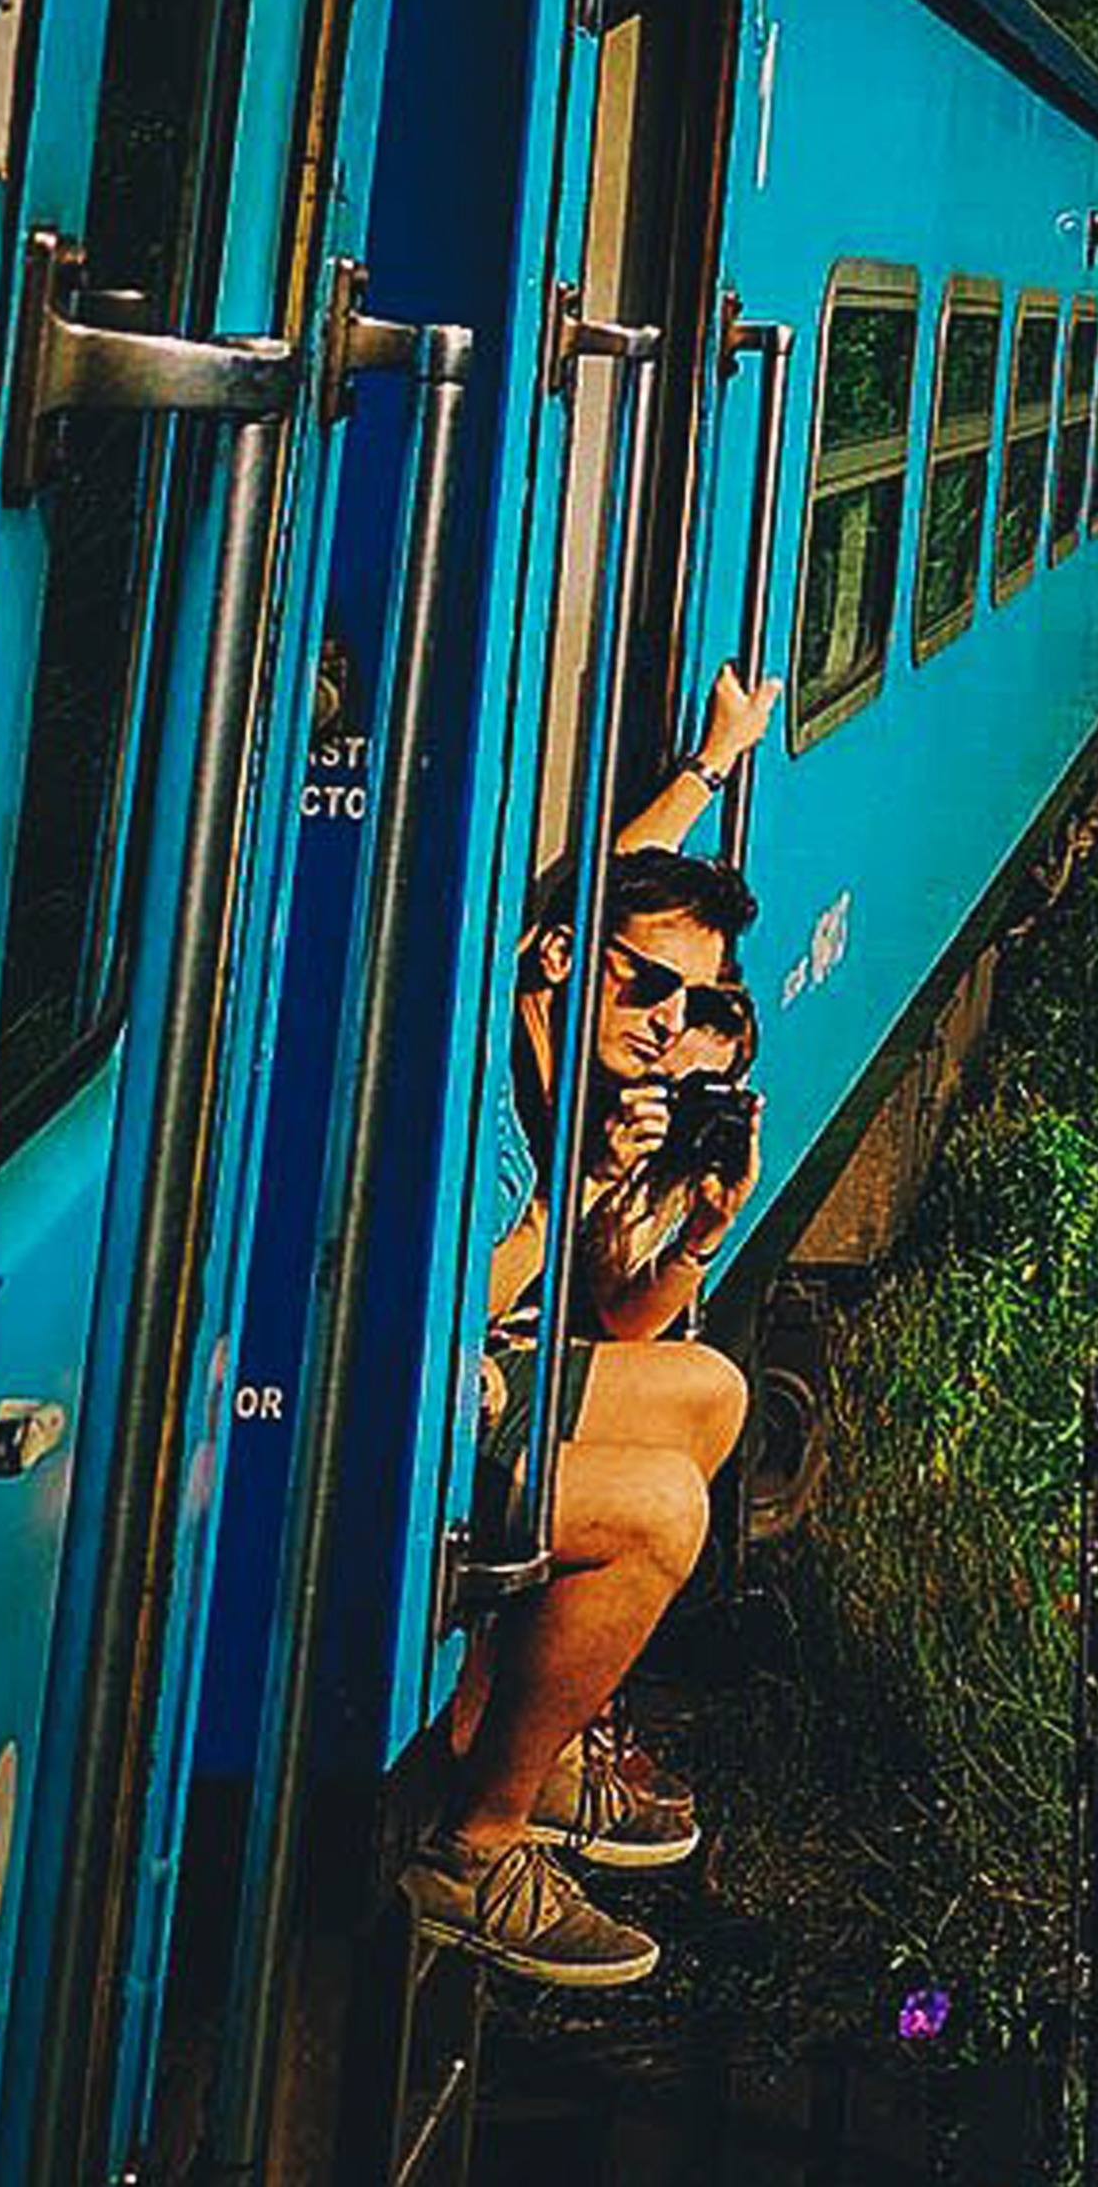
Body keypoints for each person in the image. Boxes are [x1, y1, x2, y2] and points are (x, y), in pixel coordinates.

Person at [398, 669, 778, 1986]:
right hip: (418, 1407)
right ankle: (473, 1846)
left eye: (696, 1012)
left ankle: (529, 1730)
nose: (673, 1031)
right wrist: (572, 1199)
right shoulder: (486, 1070)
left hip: (487, 1391)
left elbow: (623, 1325)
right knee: (663, 1512)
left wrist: (696, 1234)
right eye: (653, 993)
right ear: (560, 959)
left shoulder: (590, 1049)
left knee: (710, 1392)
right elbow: (456, 1312)